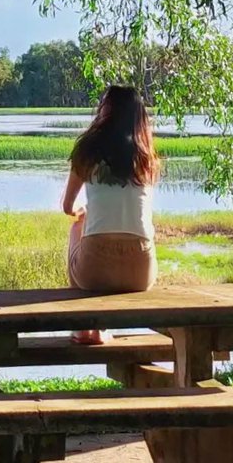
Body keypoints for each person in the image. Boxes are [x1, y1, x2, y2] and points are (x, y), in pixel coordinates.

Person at [62, 85, 159, 344]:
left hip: (94, 270)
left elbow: (67, 206)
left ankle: (86, 328)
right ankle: (101, 329)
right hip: (140, 273)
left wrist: (81, 213)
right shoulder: (147, 158)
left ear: (104, 110)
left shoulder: (87, 151)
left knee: (76, 228)